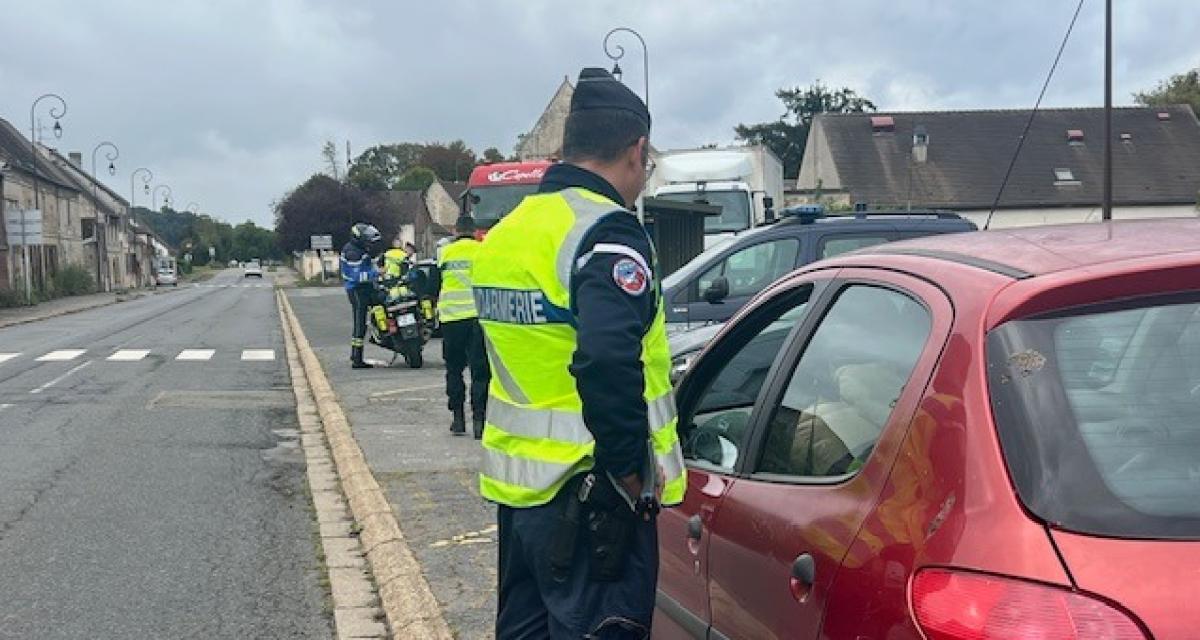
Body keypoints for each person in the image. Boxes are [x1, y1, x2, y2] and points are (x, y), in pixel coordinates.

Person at [471, 67, 686, 639]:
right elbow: (608, 358)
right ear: (637, 151)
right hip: (593, 504)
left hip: (521, 503)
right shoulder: (606, 232)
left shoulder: (510, 234)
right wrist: (628, 472)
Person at [438, 215, 490, 438]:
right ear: (474, 230)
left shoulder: (445, 253)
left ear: (455, 231)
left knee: (454, 369)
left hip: (451, 319)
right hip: (476, 318)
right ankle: (479, 421)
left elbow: (435, 281)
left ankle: (457, 419)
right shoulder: (481, 250)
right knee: (480, 371)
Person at [340, 222, 382, 369]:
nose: (369, 243)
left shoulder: (360, 249)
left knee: (385, 302)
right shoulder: (352, 253)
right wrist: (377, 274)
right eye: (367, 240)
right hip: (357, 290)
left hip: (366, 287)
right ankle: (357, 358)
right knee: (360, 323)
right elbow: (357, 276)